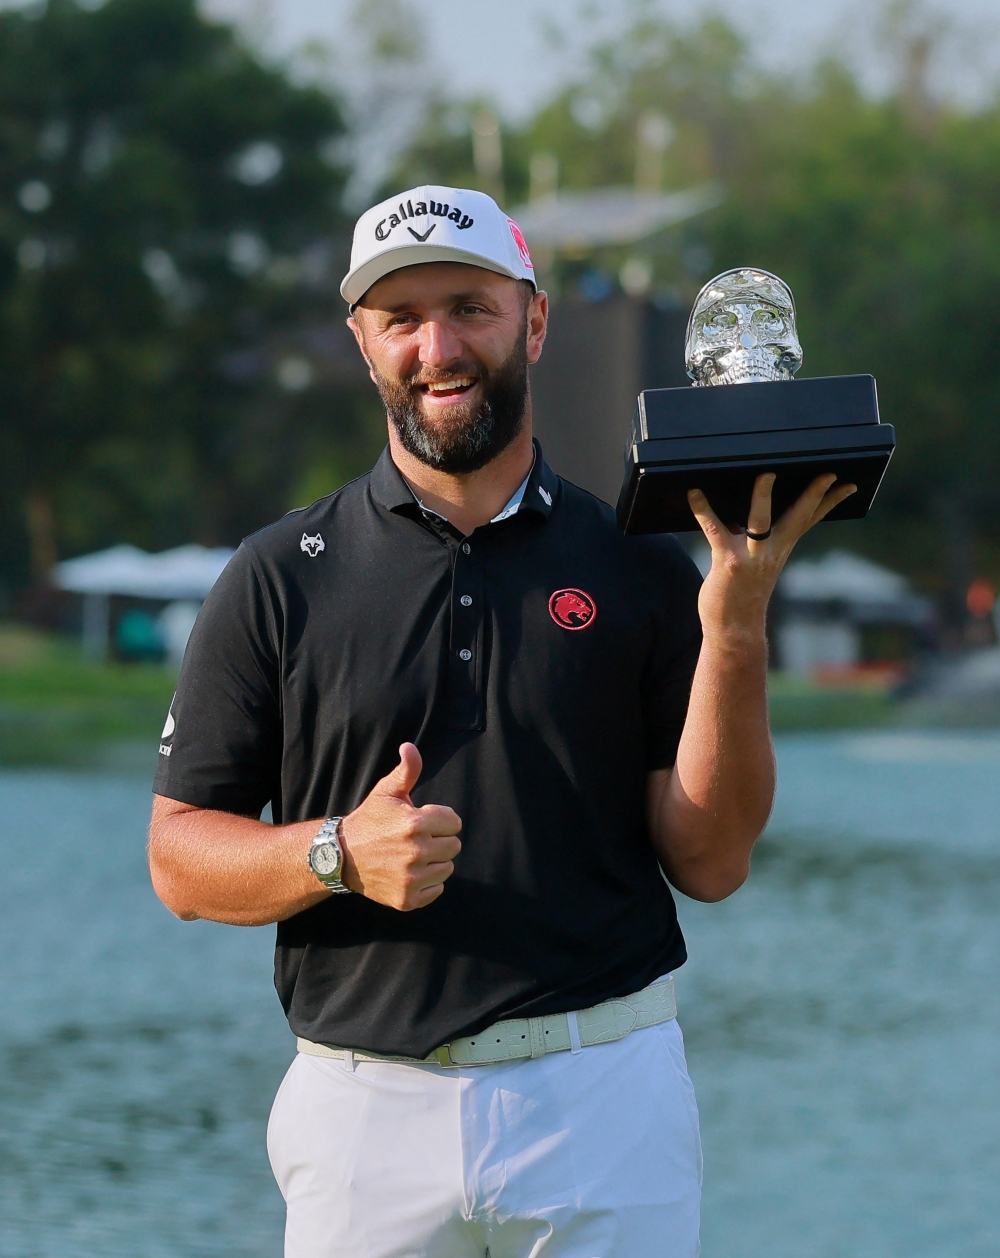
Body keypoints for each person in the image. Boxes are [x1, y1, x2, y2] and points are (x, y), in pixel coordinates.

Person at [148, 185, 856, 1258]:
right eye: (402, 318)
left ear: (532, 319)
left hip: (601, 1090)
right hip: (360, 1110)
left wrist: (739, 626)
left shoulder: (639, 563)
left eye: (470, 307)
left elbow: (711, 860)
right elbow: (179, 860)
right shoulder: (274, 578)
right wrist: (340, 850)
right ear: (363, 343)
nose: (438, 345)